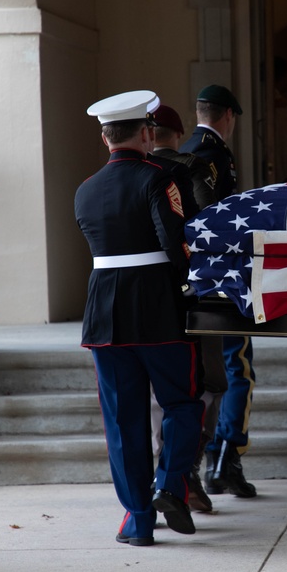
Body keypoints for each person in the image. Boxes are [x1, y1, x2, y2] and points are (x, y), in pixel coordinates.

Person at [76, 90, 204, 547]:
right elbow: (175, 243)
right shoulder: (160, 178)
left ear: (105, 136)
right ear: (147, 133)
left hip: (105, 318)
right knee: (183, 405)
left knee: (123, 421)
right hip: (158, 312)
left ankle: (137, 519)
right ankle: (171, 484)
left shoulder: (85, 189)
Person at [180, 84, 258, 498]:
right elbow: (223, 221)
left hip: (195, 282)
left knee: (212, 373)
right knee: (237, 368)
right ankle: (225, 458)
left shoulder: (186, 148)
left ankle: (207, 461)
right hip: (222, 281)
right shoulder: (214, 154)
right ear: (227, 115)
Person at [147, 103, 225, 512]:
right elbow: (210, 223)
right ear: (176, 133)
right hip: (194, 293)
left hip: (148, 301)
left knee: (160, 394)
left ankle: (162, 479)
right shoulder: (192, 167)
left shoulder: (134, 172)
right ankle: (188, 471)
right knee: (210, 383)